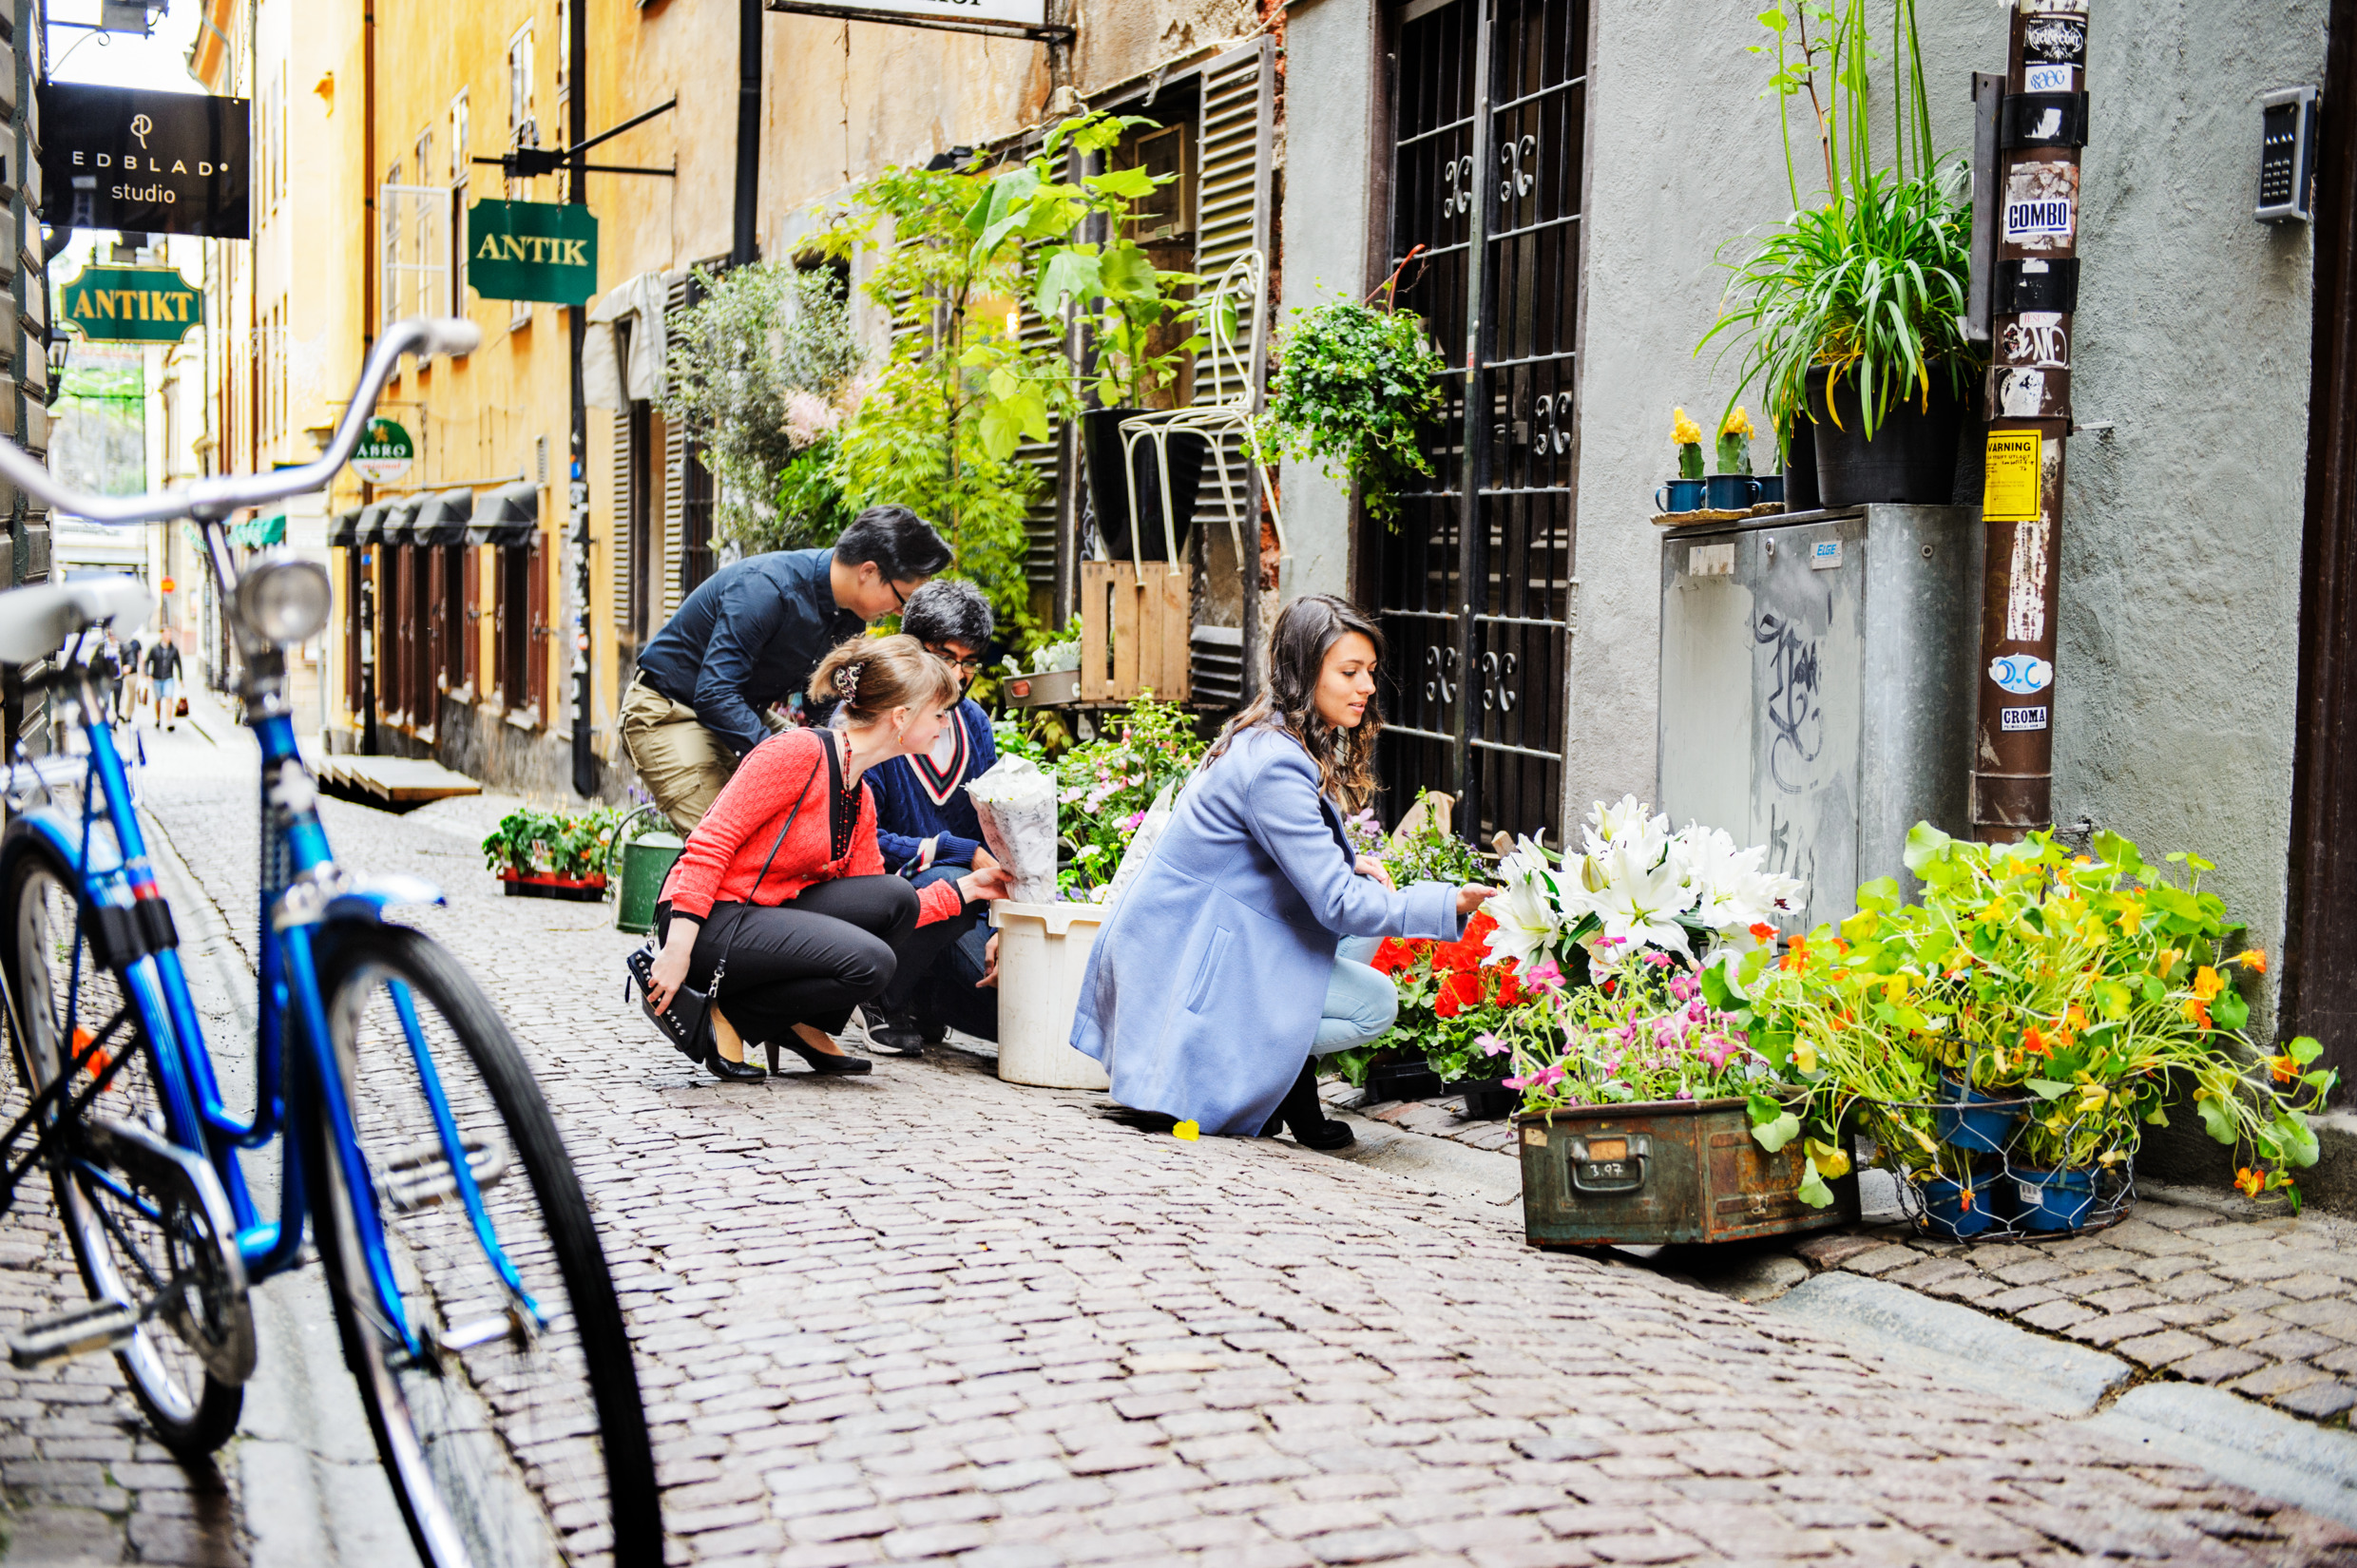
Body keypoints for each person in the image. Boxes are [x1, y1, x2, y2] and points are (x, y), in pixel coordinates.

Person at [1071, 595, 1495, 1147]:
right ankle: (1274, 1077)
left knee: (1360, 911)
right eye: (1349, 672)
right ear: (1304, 672)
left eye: (1369, 671)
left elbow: (1286, 866)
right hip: (1191, 963)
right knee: (1376, 1004)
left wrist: (1350, 863)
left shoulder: (1270, 735)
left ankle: (1287, 1084)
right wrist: (1448, 904)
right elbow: (1336, 904)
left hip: (1206, 942)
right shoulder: (1275, 763)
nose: (1366, 687)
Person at [641, 634, 1013, 1082]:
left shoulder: (861, 797)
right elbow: (709, 843)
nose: (944, 725)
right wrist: (678, 950)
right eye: (938, 714)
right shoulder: (796, 753)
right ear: (901, 717)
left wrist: (966, 890)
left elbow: (882, 906)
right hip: (708, 921)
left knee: (892, 899)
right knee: (871, 961)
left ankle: (794, 1019)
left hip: (764, 916)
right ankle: (735, 1015)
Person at [623, 506, 953, 834]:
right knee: (726, 845)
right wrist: (783, 762)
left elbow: (823, 705)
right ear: (867, 571)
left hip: (737, 709)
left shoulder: (851, 613)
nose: (899, 610)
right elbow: (714, 694)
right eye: (902, 598)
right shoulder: (766, 589)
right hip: (669, 711)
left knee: (803, 813)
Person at [860, 579, 1003, 1056]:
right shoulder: (868, 719)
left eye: (969, 662)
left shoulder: (975, 724)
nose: (959, 676)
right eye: (945, 657)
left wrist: (1008, 926)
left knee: (1017, 1012)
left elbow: (991, 837)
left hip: (963, 908)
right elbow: (862, 843)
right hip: (886, 905)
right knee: (947, 876)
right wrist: (951, 850)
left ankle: (926, 997)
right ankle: (882, 996)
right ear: (911, 649)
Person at [145, 634, 182, 731]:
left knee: (169, 698)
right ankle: (158, 719)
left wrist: (181, 678)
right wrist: (148, 675)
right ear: (162, 635)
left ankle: (169, 721)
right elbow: (147, 661)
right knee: (158, 700)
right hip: (157, 678)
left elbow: (179, 664)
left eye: (170, 633)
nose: (169, 636)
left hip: (168, 678)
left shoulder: (173, 649)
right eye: (167, 634)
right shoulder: (154, 648)